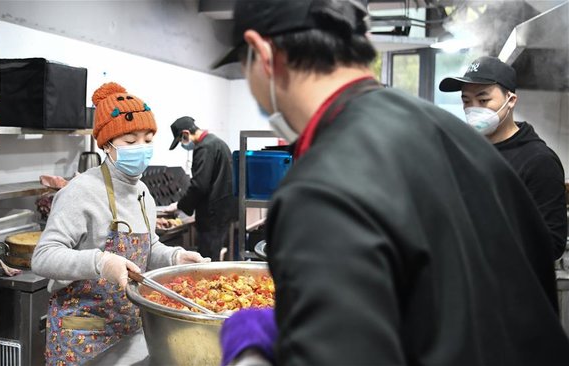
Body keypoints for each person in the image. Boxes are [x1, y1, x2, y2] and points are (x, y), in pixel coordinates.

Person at [211, 1, 569, 365]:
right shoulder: (452, 135)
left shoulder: (322, 184)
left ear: (261, 53)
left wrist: (251, 351)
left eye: (244, 68)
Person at [32, 82, 210, 365]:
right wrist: (100, 262)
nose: (141, 148)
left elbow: (147, 247)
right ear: (107, 144)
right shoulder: (80, 192)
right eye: (130, 142)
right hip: (83, 332)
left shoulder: (142, 193)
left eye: (148, 139)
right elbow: (42, 257)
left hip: (129, 329)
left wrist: (176, 257)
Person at [440, 56, 567, 259]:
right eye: (466, 101)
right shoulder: (466, 149)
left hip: (512, 287)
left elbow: (553, 243)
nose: (473, 108)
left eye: (483, 100)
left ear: (511, 100)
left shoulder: (538, 161)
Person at [168, 116, 237, 261]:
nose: (182, 144)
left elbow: (200, 185)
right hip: (223, 210)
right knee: (213, 255)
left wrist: (180, 205)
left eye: (181, 140)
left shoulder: (204, 148)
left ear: (186, 133)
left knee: (207, 260)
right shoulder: (217, 142)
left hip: (212, 214)